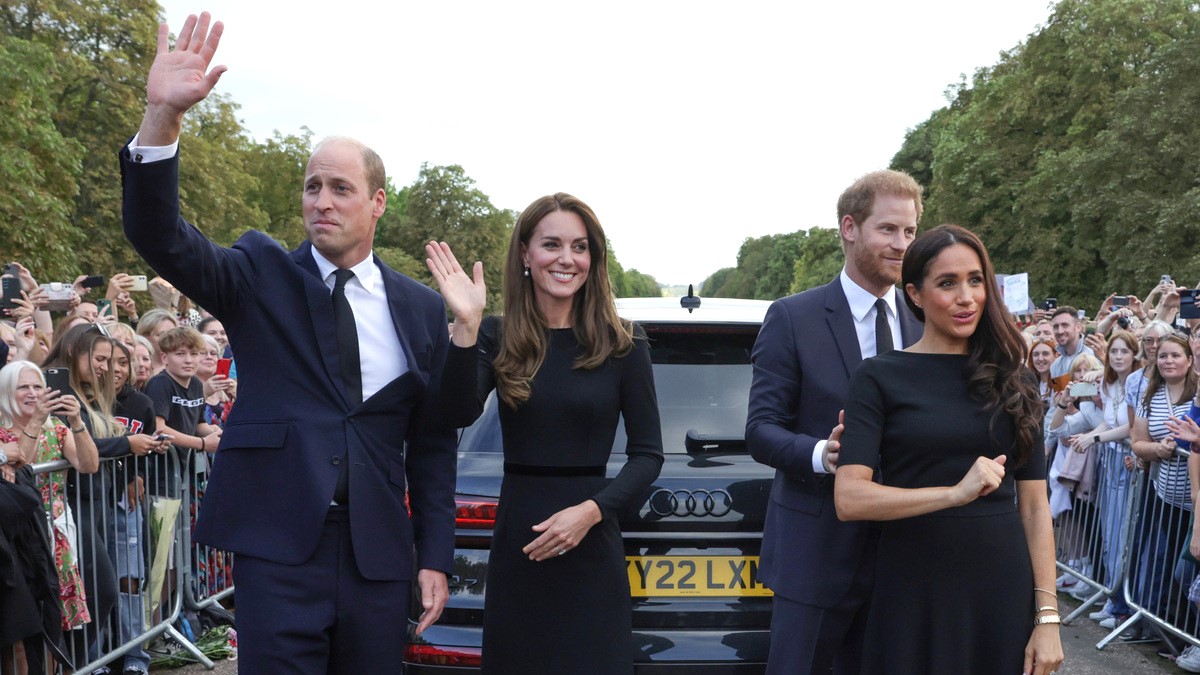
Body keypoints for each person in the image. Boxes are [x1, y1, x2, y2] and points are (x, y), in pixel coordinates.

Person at [120, 12, 457, 672]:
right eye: (312, 187)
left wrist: (434, 556)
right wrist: (162, 118)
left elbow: (435, 441)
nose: (321, 201)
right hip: (278, 552)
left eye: (340, 188)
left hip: (379, 559)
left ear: (377, 202)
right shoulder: (258, 274)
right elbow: (161, 235)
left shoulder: (419, 308)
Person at [426, 192, 664, 673]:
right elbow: (454, 413)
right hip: (520, 544)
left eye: (579, 246)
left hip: (592, 543)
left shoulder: (624, 343)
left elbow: (648, 456)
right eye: (551, 244)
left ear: (592, 258)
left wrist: (591, 512)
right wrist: (466, 325)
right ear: (525, 254)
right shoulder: (497, 334)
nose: (566, 258)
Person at [833, 224, 1063, 674]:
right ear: (915, 295)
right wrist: (953, 494)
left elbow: (1036, 508)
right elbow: (850, 498)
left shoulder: (1015, 380)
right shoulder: (878, 377)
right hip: (911, 590)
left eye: (975, 280)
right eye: (947, 283)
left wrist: (1048, 618)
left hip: (1000, 592)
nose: (966, 297)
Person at [744, 169, 924, 673]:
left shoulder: (924, 320)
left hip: (905, 557)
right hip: (815, 557)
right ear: (850, 228)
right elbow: (761, 429)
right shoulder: (793, 318)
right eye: (888, 229)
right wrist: (825, 454)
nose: (901, 244)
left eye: (909, 232)